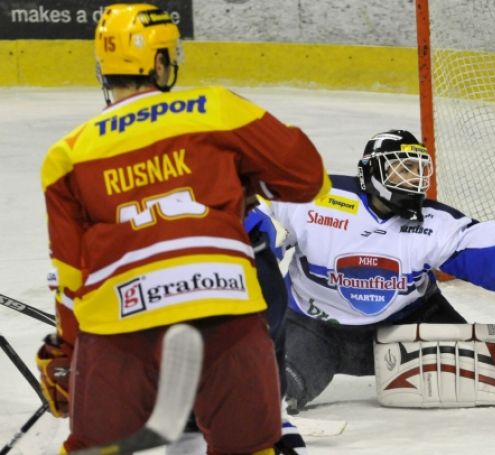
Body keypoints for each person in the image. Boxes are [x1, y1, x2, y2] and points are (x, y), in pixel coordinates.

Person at [35, 4, 330, 454]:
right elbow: (308, 179)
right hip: (223, 307)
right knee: (251, 446)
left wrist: (70, 352)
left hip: (120, 328)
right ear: (159, 62)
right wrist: (245, 180)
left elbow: (70, 278)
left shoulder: (67, 156)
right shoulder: (216, 110)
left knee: (91, 449)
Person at [253, 129, 495, 412]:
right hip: (313, 328)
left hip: (410, 327)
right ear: (372, 171)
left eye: (419, 171)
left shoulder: (436, 223)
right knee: (275, 389)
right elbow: (255, 216)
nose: (415, 180)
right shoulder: (311, 198)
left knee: (487, 370)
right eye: (403, 168)